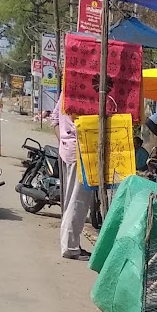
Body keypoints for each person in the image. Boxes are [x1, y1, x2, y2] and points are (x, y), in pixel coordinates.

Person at [55, 94, 93, 260]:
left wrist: (64, 140)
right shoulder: (84, 95)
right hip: (80, 151)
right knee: (77, 201)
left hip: (68, 150)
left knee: (71, 199)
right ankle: (70, 247)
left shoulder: (67, 91)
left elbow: (54, 119)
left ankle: (71, 244)